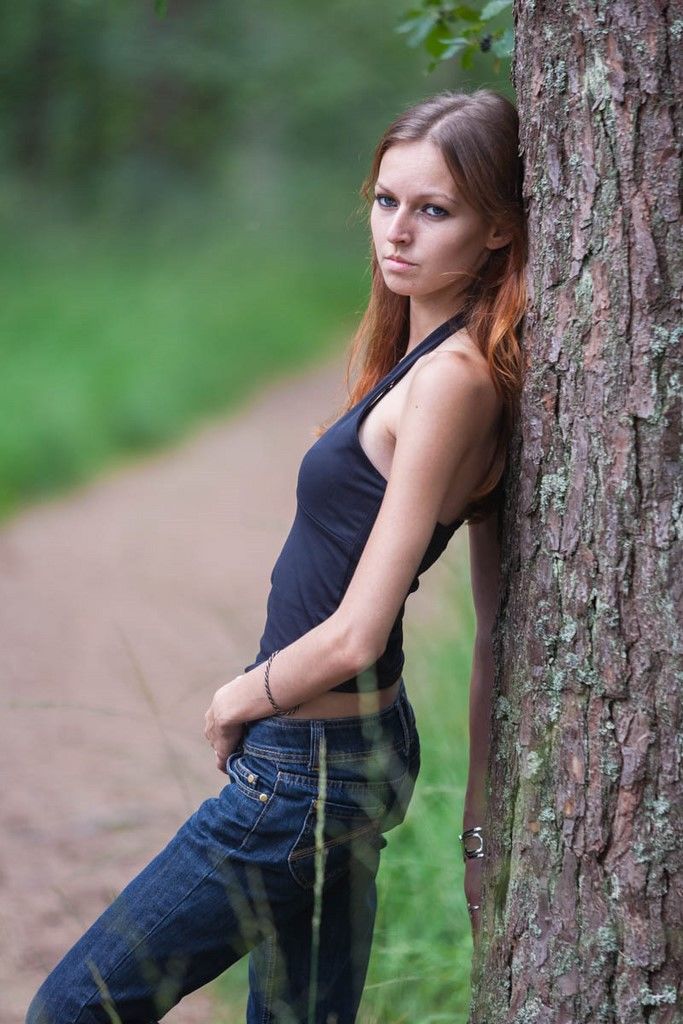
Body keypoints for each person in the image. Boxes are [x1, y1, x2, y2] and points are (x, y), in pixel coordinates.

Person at [26, 87, 527, 1024]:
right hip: (347, 758)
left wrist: (239, 699)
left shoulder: (454, 383)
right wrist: (476, 834)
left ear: (497, 231)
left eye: (435, 210)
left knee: (74, 1008)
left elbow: (357, 632)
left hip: (308, 765)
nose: (399, 233)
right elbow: (496, 624)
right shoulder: (436, 360)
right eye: (387, 202)